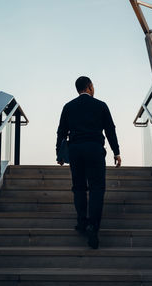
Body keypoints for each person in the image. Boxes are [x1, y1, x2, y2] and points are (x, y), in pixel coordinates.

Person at [56, 76, 121, 249]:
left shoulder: (68, 106)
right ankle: (93, 225)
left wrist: (59, 154)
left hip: (75, 151)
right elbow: (110, 130)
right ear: (90, 87)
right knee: (96, 188)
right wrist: (116, 152)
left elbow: (61, 132)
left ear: (78, 89)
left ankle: (81, 221)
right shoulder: (101, 105)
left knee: (78, 187)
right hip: (94, 150)